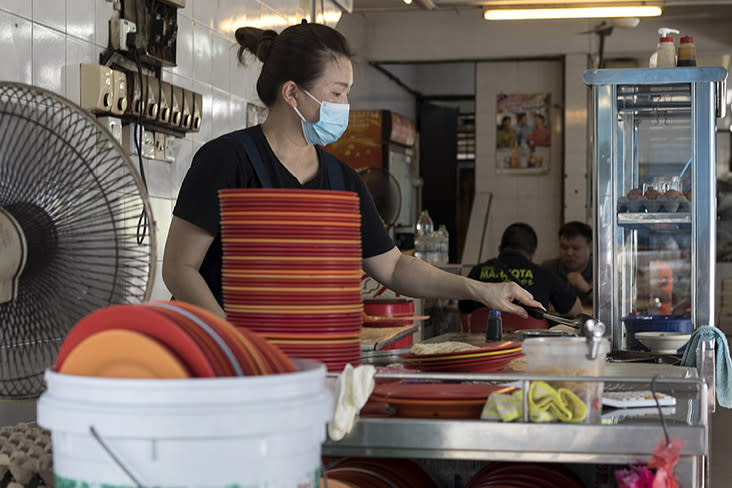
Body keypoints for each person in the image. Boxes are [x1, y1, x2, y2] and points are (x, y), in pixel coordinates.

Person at [162, 22, 543, 320]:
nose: (346, 104)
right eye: (336, 93)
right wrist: (232, 340)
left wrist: (479, 289)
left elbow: (393, 267)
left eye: (348, 92)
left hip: (303, 352)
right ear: (292, 93)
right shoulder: (226, 160)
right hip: (220, 356)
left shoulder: (342, 179)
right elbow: (180, 267)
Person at [459, 223, 582, 317]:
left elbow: (463, 308)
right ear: (532, 253)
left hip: (485, 346)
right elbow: (576, 310)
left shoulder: (477, 271)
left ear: (500, 248)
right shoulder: (543, 274)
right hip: (528, 347)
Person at [542, 221, 593, 306]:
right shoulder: (548, 268)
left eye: (576, 248)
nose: (569, 253)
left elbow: (610, 307)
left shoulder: (602, 271)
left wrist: (587, 289)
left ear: (590, 247)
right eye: (564, 247)